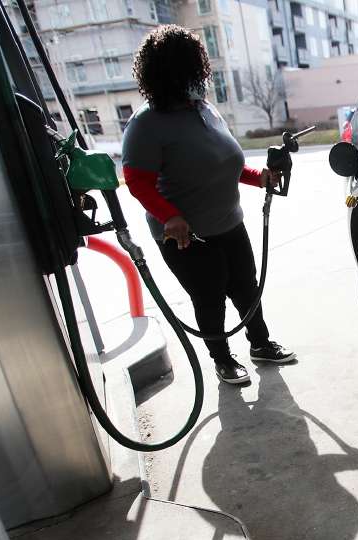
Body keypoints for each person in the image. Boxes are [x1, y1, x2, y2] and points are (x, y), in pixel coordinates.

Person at [122, 24, 293, 385]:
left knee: (247, 287)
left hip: (230, 222)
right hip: (188, 236)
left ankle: (260, 344)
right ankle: (223, 360)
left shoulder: (204, 110)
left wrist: (258, 176)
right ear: (171, 74)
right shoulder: (146, 124)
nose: (199, 78)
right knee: (210, 298)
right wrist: (170, 216)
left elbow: (225, 162)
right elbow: (137, 181)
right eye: (191, 70)